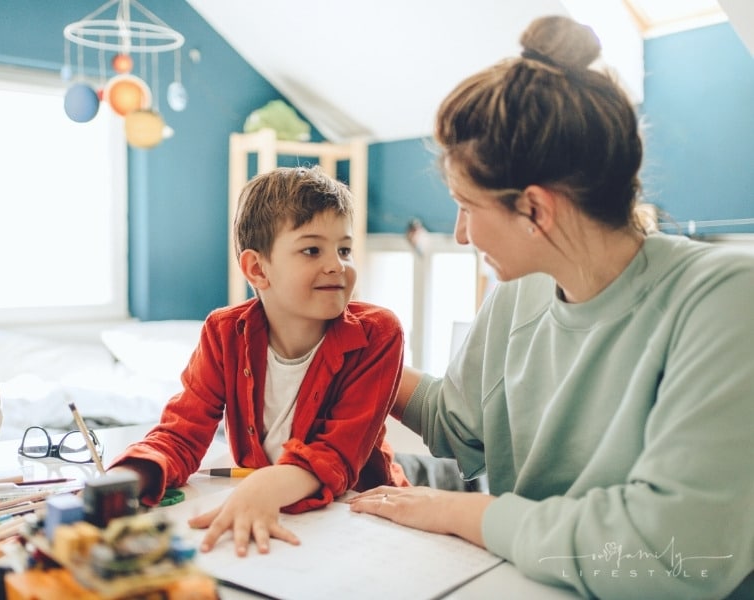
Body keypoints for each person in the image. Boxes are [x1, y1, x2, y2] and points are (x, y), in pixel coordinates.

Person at [348, 15, 754, 600]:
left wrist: (460, 512)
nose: (460, 234)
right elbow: (458, 425)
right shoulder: (519, 291)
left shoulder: (725, 300)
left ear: (535, 210)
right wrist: (350, 342)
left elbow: (671, 551)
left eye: (467, 206)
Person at [108, 165, 408, 557]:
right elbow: (182, 434)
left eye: (344, 249)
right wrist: (123, 479)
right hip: (274, 511)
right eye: (312, 250)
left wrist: (262, 487)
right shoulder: (223, 333)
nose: (337, 265)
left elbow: (336, 455)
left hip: (363, 517)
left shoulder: (378, 333)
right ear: (257, 269)